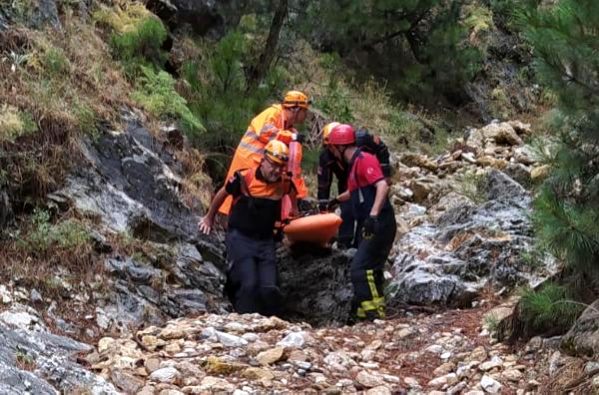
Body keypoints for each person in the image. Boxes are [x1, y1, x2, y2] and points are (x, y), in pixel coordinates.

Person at [199, 140, 295, 316]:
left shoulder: (284, 184)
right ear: (263, 161)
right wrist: (209, 218)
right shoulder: (244, 178)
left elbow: (293, 198)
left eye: (280, 167)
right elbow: (222, 193)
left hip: (266, 241)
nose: (276, 170)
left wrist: (293, 219)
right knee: (248, 284)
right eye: (273, 165)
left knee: (269, 289)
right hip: (240, 237)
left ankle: (274, 327)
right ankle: (243, 322)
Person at [326, 124, 396, 321]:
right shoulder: (354, 165)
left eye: (332, 148)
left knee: (360, 268)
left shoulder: (364, 160)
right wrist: (335, 200)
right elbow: (354, 191)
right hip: (372, 223)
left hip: (379, 222)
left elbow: (382, 185)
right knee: (369, 267)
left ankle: (375, 314)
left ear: (339, 147)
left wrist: (373, 216)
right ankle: (364, 313)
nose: (331, 152)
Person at [218, 90, 310, 216]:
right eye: (305, 111)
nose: (306, 114)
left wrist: (300, 195)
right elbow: (264, 131)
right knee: (236, 197)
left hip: (265, 167)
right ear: (296, 109)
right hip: (249, 162)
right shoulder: (273, 114)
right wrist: (291, 137)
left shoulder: (289, 129)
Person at [318, 122, 392, 248]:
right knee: (347, 209)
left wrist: (385, 173)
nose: (330, 150)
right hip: (346, 179)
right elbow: (323, 183)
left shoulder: (362, 140)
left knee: (367, 205)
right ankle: (344, 242)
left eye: (332, 147)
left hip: (366, 175)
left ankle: (363, 239)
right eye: (328, 147)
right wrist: (324, 207)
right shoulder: (326, 157)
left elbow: (381, 148)